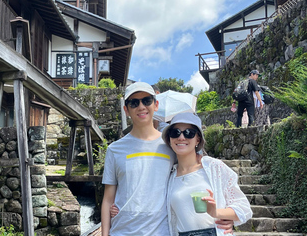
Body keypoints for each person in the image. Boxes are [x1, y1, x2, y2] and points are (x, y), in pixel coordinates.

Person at [102, 82, 234, 236]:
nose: (141, 106)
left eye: (146, 100)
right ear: (126, 110)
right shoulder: (115, 150)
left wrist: (224, 216)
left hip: (162, 231)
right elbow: (108, 199)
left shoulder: (172, 144)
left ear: (155, 104)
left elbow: (194, 177)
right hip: (123, 230)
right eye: (134, 102)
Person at [162, 113, 252, 236]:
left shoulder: (214, 168)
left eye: (189, 133)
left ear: (197, 139)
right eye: (175, 132)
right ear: (170, 139)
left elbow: (244, 208)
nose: (181, 137)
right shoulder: (169, 175)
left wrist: (217, 213)